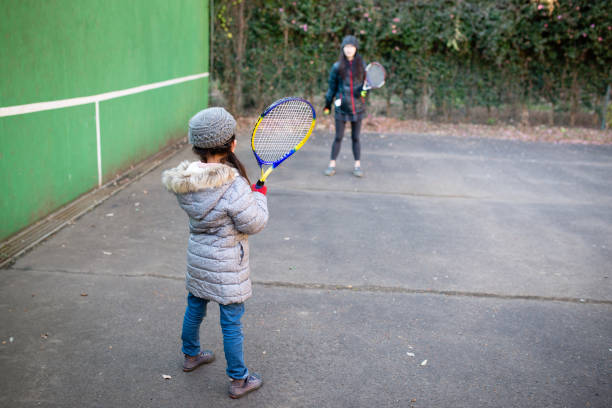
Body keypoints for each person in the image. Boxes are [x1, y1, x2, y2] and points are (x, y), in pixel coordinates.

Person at [161, 107, 269, 399]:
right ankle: (239, 379)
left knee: (194, 307)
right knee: (231, 322)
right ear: (232, 144)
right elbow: (254, 222)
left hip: (199, 258)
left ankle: (191, 355)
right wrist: (259, 197)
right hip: (227, 265)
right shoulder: (233, 184)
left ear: (197, 146)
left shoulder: (187, 181)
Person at [323, 35, 368, 177]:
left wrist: (364, 94)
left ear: (356, 49)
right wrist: (327, 105)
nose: (349, 50)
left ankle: (357, 166)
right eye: (346, 47)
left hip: (358, 108)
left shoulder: (362, 66)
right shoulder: (336, 67)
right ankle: (331, 165)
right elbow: (332, 88)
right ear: (343, 49)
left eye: (352, 47)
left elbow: (367, 89)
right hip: (341, 107)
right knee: (338, 137)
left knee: (356, 137)